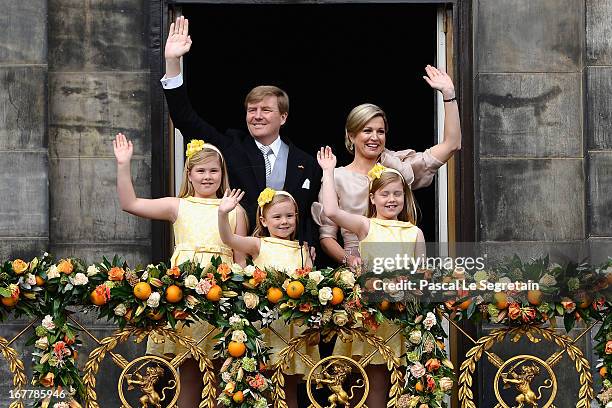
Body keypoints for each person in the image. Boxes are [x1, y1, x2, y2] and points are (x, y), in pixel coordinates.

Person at [162, 16, 321, 249]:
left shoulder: (306, 162)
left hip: (290, 261)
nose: (256, 116)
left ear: (283, 117)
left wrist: (309, 246)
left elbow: (308, 216)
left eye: (266, 110)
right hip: (238, 254)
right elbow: (185, 119)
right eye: (251, 110)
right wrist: (172, 62)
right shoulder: (230, 146)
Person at [113, 133, 248, 407]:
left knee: (223, 374)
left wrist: (239, 302)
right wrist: (123, 164)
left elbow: (240, 260)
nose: (207, 176)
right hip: (185, 296)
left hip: (222, 296)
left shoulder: (235, 210)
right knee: (188, 371)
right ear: (189, 173)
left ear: (223, 174)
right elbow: (131, 204)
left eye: (213, 170)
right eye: (200, 170)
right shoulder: (179, 205)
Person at [312, 65, 461, 268]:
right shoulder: (337, 177)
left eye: (380, 131)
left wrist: (449, 95)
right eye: (367, 130)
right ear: (351, 135)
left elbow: (452, 144)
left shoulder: (398, 168)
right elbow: (326, 236)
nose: (375, 137)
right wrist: (349, 261)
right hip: (355, 271)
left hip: (399, 266)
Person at [317, 146, 425, 408]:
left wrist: (411, 285)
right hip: (373, 320)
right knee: (375, 383)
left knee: (405, 384)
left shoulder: (414, 232)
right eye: (384, 194)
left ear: (405, 197)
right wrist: (329, 172)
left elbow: (423, 276)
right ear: (373, 198)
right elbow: (331, 211)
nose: (391, 199)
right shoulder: (366, 225)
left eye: (397, 194)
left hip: (403, 321)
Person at [218, 187, 319, 408]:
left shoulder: (303, 250)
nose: (284, 221)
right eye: (277, 216)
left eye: (289, 216)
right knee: (261, 383)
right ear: (264, 220)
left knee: (288, 385)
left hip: (292, 327)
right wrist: (223, 213)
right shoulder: (258, 244)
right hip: (266, 325)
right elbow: (228, 238)